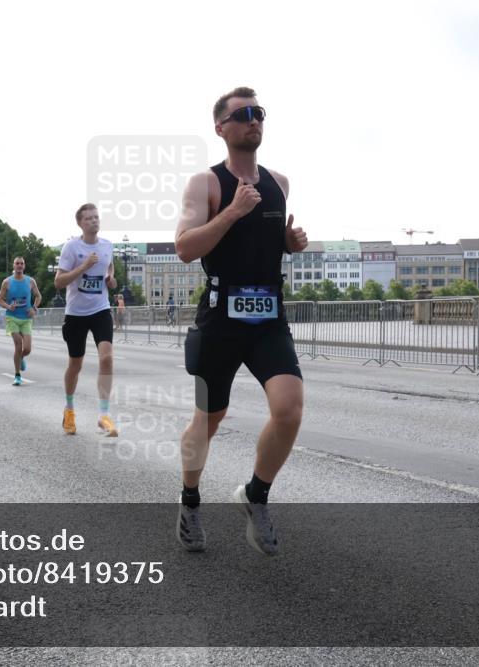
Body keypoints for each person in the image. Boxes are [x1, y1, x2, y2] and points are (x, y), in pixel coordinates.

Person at [173, 87, 309, 556]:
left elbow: (265, 243)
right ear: (221, 128)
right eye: (243, 114)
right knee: (208, 420)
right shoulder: (206, 184)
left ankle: (255, 494)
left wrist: (289, 242)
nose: (254, 121)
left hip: (269, 315)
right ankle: (190, 499)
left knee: (289, 408)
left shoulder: (279, 182)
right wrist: (232, 211)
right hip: (221, 318)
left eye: (259, 113)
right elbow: (186, 247)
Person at [54, 204, 119, 436]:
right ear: (80, 223)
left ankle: (104, 414)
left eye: (96, 217)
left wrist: (111, 278)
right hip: (76, 314)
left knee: (107, 358)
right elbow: (59, 282)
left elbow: (109, 266)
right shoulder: (72, 247)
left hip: (100, 310)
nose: (94, 221)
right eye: (89, 218)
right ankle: (69, 410)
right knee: (75, 365)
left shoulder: (107, 246)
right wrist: (83, 266)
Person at [0, 256, 42, 386]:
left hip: (26, 318)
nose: (19, 265)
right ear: (13, 266)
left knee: (27, 349)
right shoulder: (7, 282)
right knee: (18, 345)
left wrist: (34, 308)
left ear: (24, 266)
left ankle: (20, 358)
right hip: (12, 317)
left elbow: (38, 296)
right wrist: (9, 306)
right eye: (17, 263)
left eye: (22, 263)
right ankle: (17, 375)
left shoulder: (30, 281)